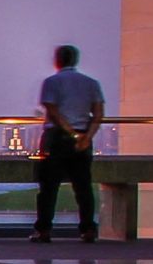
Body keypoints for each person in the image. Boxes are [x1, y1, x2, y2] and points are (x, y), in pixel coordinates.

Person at [32, 44, 103, 244]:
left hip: (56, 138)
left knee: (48, 186)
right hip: (83, 138)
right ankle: (88, 229)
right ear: (76, 60)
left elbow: (52, 111)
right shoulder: (91, 83)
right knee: (83, 187)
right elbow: (98, 114)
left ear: (57, 60)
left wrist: (71, 134)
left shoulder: (51, 82)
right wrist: (86, 137)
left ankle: (44, 230)